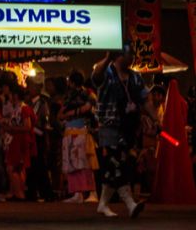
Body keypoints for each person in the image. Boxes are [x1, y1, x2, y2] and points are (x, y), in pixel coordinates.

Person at [91, 49, 158, 218]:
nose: (132, 57)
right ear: (119, 55)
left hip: (129, 128)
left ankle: (103, 204)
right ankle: (130, 203)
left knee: (122, 165)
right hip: (110, 125)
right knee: (115, 164)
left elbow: (145, 99)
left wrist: (156, 119)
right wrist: (107, 58)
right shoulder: (106, 71)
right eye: (129, 54)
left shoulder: (135, 77)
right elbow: (96, 76)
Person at [58, 71, 98, 204]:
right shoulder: (71, 95)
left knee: (85, 163)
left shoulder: (88, 93)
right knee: (73, 164)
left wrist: (71, 113)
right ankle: (77, 192)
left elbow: (88, 108)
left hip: (82, 131)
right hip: (71, 131)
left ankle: (92, 192)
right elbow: (61, 113)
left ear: (72, 82)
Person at [0, 80, 34, 201]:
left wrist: (11, 128)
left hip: (18, 140)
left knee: (12, 167)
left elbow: (27, 126)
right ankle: (18, 192)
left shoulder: (23, 109)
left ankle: (18, 193)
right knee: (18, 167)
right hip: (16, 139)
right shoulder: (18, 108)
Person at [26, 79, 56, 202]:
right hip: (32, 135)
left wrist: (46, 137)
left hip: (39, 135)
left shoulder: (42, 103)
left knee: (40, 165)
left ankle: (46, 192)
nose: (29, 89)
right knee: (32, 165)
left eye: (32, 87)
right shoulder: (29, 103)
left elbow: (46, 122)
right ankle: (33, 191)